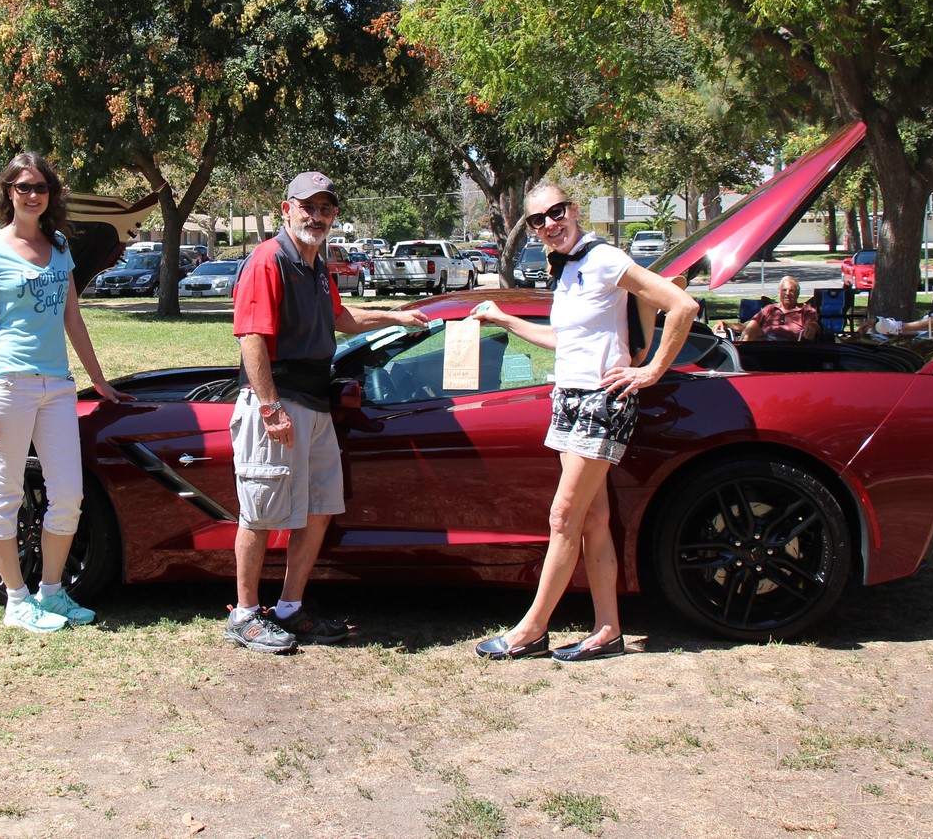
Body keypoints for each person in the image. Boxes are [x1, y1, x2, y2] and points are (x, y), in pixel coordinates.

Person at [470, 185, 698, 663]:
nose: (550, 224)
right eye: (538, 220)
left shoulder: (604, 258)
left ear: (573, 210)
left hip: (601, 402)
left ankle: (531, 630)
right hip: (568, 400)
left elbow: (682, 305)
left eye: (556, 212)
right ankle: (608, 631)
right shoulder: (566, 268)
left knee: (563, 518)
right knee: (592, 520)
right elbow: (563, 339)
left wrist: (651, 372)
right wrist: (502, 319)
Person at [224, 171, 430, 653]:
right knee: (259, 512)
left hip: (315, 405)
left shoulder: (317, 264)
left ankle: (290, 609)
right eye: (308, 207)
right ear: (287, 209)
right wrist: (270, 407)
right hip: (278, 404)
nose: (317, 217)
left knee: (318, 511)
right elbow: (251, 335)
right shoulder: (268, 259)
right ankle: (245, 614)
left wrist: (397, 316)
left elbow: (340, 317)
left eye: (326, 209)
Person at [0, 153, 129, 634]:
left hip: (57, 386)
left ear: (51, 194)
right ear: (8, 192)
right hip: (8, 384)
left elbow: (72, 317)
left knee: (69, 495)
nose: (33, 194)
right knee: (5, 493)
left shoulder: (59, 246)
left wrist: (98, 380)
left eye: (41, 187)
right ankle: (17, 601)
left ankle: (52, 593)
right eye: (23, 186)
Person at [859, 285, 933, 350]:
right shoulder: (932, 316)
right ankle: (895, 327)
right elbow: (914, 331)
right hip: (923, 349)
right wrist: (878, 324)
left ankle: (897, 326)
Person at [735, 276, 820, 341]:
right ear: (779, 293)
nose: (787, 293)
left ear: (798, 293)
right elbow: (747, 326)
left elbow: (812, 324)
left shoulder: (806, 310)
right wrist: (728, 325)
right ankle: (742, 354)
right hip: (765, 344)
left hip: (790, 348)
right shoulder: (770, 308)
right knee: (752, 327)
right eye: (784, 290)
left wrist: (813, 326)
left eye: (791, 290)